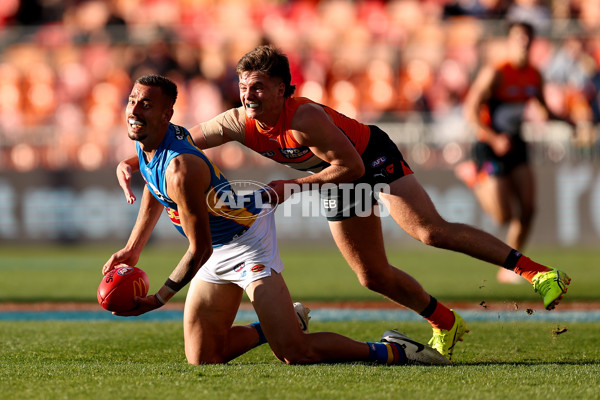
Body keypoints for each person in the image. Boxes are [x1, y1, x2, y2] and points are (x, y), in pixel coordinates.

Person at [116, 47, 571, 361]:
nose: (248, 96)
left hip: (368, 159)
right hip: (331, 177)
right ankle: (446, 322)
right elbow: (176, 147)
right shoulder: (237, 121)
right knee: (371, 275)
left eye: (258, 87)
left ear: (283, 90)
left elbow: (351, 166)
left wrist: (294, 187)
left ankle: (538, 273)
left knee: (430, 231)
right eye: (243, 87)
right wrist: (135, 161)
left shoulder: (305, 118)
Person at [103, 74, 450, 366]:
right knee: (204, 356)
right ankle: (279, 323)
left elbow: (199, 248)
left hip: (245, 242)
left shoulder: (181, 167)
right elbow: (153, 185)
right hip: (217, 244)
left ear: (167, 115)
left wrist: (160, 298)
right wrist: (133, 248)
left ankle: (396, 352)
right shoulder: (147, 139)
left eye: (146, 104)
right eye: (132, 100)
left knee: (295, 352)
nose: (134, 109)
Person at [461, 21, 575, 283]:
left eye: (527, 38)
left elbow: (544, 111)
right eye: (517, 38)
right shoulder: (497, 72)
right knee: (504, 215)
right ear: (510, 42)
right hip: (490, 146)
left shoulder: (534, 75)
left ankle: (510, 266)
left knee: (528, 209)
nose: (522, 42)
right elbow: (470, 110)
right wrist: (493, 138)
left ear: (532, 41)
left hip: (516, 143)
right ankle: (472, 177)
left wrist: (568, 121)